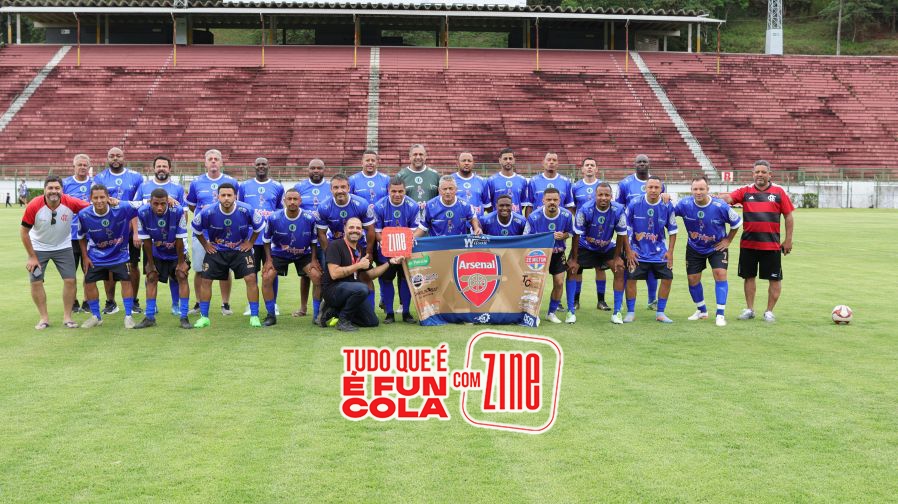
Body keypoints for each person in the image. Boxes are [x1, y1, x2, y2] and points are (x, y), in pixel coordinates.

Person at [719, 160, 794, 323]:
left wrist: (788, 240)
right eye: (757, 172)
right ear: (753, 174)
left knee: (775, 279)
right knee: (749, 277)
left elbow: (788, 215)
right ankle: (749, 309)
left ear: (769, 174)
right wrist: (712, 197)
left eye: (763, 172)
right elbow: (728, 198)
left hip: (771, 245)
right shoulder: (745, 191)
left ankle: (769, 312)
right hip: (749, 244)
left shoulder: (779, 192)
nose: (760, 174)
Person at [190, 183, 265, 328]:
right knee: (206, 280)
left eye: (229, 195)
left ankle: (254, 316)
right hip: (217, 250)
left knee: (251, 278)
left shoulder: (246, 209)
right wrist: (206, 245)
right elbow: (196, 228)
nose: (226, 198)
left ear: (235, 196)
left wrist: (250, 242)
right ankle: (204, 317)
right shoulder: (208, 211)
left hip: (240, 250)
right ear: (217, 196)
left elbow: (259, 226)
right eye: (223, 195)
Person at [21, 176, 91, 329]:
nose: (54, 191)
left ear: (62, 190)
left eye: (57, 188)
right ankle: (44, 318)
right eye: (50, 188)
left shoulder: (70, 202)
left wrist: (111, 202)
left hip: (63, 247)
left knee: (70, 280)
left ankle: (67, 318)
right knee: (36, 281)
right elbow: (24, 232)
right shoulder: (34, 205)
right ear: (44, 190)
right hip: (38, 248)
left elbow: (93, 207)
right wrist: (32, 257)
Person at [675, 176, 742, 327]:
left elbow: (736, 222)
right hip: (694, 247)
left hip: (716, 247)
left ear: (708, 189)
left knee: (720, 274)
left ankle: (720, 314)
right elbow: (668, 212)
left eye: (701, 189)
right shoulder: (684, 204)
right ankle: (702, 310)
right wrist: (664, 198)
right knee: (693, 279)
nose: (698, 192)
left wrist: (728, 240)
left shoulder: (720, 206)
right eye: (695, 189)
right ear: (691, 190)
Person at [318, 218, 404, 332]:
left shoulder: (360, 249)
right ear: (345, 229)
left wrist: (390, 262)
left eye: (358, 228)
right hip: (332, 290)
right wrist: (358, 265)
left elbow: (371, 274)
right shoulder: (335, 245)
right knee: (363, 288)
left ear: (362, 231)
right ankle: (343, 321)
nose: (355, 230)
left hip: (352, 291)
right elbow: (334, 274)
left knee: (372, 322)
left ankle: (332, 311)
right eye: (351, 227)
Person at [77, 184, 140, 329]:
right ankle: (96, 317)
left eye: (102, 197)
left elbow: (143, 203)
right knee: (89, 281)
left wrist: (167, 198)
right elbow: (81, 237)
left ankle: (128, 316)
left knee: (126, 280)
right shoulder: (84, 215)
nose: (99, 201)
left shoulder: (121, 208)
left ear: (108, 198)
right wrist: (85, 257)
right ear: (90, 198)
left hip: (120, 255)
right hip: (96, 256)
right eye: (96, 198)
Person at [186, 149, 239, 315]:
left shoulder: (232, 181)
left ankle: (225, 304)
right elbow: (192, 206)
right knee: (199, 269)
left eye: (216, 159)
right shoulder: (196, 183)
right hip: (202, 234)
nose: (213, 161)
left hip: (225, 234)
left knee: (225, 269)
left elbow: (236, 205)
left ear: (221, 162)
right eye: (210, 159)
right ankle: (198, 302)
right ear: (205, 163)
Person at [93, 147, 145, 315]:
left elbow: (137, 206)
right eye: (112, 156)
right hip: (108, 229)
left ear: (124, 157)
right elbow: (96, 203)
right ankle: (110, 302)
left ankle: (134, 301)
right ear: (107, 158)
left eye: (118, 155)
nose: (115, 158)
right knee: (108, 265)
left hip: (130, 228)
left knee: (133, 265)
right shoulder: (100, 178)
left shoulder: (136, 177)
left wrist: (136, 232)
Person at [568, 182, 628, 323]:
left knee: (620, 269)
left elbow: (621, 234)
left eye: (607, 195)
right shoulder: (585, 209)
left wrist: (617, 257)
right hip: (585, 246)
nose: (604, 198)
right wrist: (574, 259)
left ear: (611, 196)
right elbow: (576, 235)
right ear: (595, 196)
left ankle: (617, 312)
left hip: (606, 246)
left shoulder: (619, 209)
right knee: (572, 269)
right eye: (600, 195)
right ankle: (571, 311)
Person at [261, 188, 322, 327]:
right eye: (289, 199)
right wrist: (268, 260)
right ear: (284, 201)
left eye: (295, 199)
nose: (292, 202)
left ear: (300, 201)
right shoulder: (273, 218)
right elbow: (266, 241)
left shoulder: (309, 218)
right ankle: (271, 315)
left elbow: (314, 242)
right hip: (279, 254)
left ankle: (317, 315)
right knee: (267, 277)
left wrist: (314, 260)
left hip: (303, 254)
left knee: (317, 276)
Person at [134, 189, 192, 329]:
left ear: (168, 202)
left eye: (162, 204)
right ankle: (149, 317)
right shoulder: (143, 212)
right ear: (150, 202)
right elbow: (146, 241)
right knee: (151, 277)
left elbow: (180, 239)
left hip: (177, 251)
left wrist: (181, 262)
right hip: (157, 252)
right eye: (155, 204)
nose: (159, 207)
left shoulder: (177, 211)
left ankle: (184, 317)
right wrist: (150, 264)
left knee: (181, 276)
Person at [624, 176, 678, 323]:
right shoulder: (634, 203)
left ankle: (660, 312)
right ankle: (630, 312)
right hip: (637, 252)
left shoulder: (667, 205)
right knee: (631, 279)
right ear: (645, 188)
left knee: (668, 278)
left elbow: (673, 230)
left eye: (656, 187)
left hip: (659, 253)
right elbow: (625, 228)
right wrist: (629, 251)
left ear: (661, 189)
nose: (653, 190)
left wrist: (670, 252)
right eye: (650, 187)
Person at [138, 155, 186, 315]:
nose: (161, 168)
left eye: (164, 166)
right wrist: (137, 234)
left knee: (176, 274)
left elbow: (184, 212)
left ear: (169, 169)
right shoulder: (144, 187)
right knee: (151, 273)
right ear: (154, 168)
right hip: (152, 239)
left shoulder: (178, 188)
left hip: (172, 239)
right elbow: (136, 208)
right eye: (158, 166)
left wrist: (179, 234)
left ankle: (176, 305)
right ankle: (152, 306)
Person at [617, 154, 665, 311]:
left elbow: (662, 204)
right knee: (628, 267)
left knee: (652, 268)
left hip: (653, 233)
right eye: (639, 162)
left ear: (649, 164)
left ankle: (652, 300)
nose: (642, 164)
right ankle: (622, 302)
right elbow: (619, 207)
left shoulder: (658, 183)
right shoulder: (625, 184)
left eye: (645, 161)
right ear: (634, 164)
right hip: (631, 234)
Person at [238, 157, 284, 316]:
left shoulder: (277, 186)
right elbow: (240, 210)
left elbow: (279, 211)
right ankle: (252, 305)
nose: (261, 166)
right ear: (254, 166)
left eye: (264, 164)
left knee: (272, 271)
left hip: (270, 238)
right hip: (251, 238)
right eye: (258, 164)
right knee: (251, 272)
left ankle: (273, 303)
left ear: (268, 166)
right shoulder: (244, 186)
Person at [373, 177, 420, 324]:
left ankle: (406, 313)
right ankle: (389, 313)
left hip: (406, 251)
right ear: (388, 191)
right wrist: (390, 246)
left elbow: (415, 231)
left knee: (405, 279)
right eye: (394, 191)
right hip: (386, 251)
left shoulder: (413, 206)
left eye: (400, 191)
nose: (397, 194)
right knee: (387, 279)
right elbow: (377, 233)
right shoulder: (379, 206)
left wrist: (402, 248)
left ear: (405, 191)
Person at [525, 188, 575, 323]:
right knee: (535, 285)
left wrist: (563, 235)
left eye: (555, 199)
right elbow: (526, 237)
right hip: (538, 256)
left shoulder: (566, 215)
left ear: (560, 200)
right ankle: (532, 313)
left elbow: (571, 232)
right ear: (543, 200)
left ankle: (551, 313)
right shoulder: (534, 217)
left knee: (559, 282)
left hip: (558, 254)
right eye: (549, 199)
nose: (552, 202)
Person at [293, 158, 330, 317]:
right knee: (305, 275)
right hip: (306, 238)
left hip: (325, 238)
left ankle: (323, 308)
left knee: (324, 274)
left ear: (324, 170)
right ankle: (303, 308)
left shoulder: (330, 187)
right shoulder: (300, 187)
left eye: (319, 168)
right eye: (312, 168)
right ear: (308, 169)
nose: (316, 171)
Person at [571, 157, 606, 310]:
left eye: (592, 165)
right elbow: (572, 207)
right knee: (578, 267)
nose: (590, 167)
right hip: (581, 233)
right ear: (582, 169)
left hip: (600, 233)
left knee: (600, 267)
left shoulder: (602, 186)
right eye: (587, 165)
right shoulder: (575, 187)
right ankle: (576, 301)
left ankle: (601, 301)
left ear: (597, 169)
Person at [63, 154, 93, 314]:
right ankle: (73, 301)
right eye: (79, 165)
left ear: (89, 167)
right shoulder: (65, 184)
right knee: (70, 272)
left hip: (89, 235)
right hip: (70, 236)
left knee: (88, 270)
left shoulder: (94, 184)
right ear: (73, 166)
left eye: (85, 165)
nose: (82, 167)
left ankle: (87, 301)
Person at [415, 175, 483, 238]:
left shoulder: (465, 205)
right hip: (437, 245)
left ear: (456, 189)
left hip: (459, 245)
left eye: (451, 188)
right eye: (444, 189)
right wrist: (412, 239)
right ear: (439, 190)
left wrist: (476, 228)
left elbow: (473, 217)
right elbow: (422, 228)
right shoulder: (430, 206)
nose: (448, 192)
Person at [486, 147, 531, 216]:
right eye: (505, 159)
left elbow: (523, 204)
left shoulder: (522, 180)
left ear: (514, 160)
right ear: (500, 160)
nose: (508, 161)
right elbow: (488, 206)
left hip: (516, 220)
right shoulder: (491, 181)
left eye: (510, 158)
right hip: (497, 220)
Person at [453, 151, 490, 217]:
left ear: (473, 163)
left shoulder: (482, 181)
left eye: (469, 161)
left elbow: (487, 207)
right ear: (457, 163)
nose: (466, 163)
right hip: (457, 222)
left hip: (477, 222)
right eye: (463, 160)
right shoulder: (450, 180)